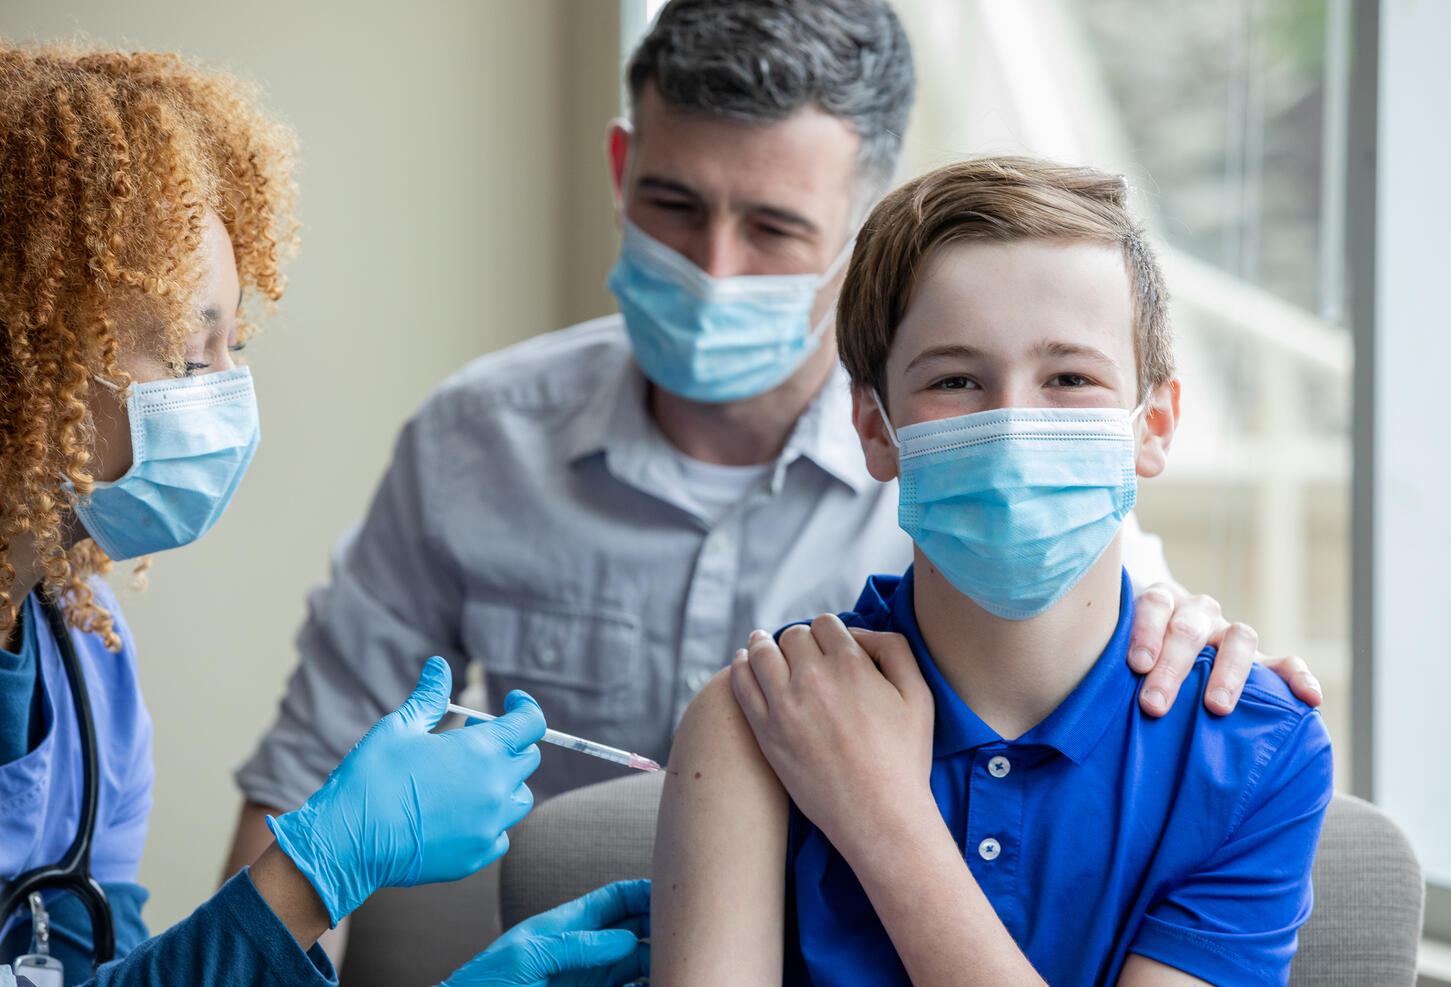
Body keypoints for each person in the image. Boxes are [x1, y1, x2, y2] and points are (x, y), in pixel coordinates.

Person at [226, 0, 1324, 898]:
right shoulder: (476, 438)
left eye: (775, 227)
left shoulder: (983, 471)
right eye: (671, 203)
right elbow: (305, 789)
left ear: (861, 225)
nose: (713, 267)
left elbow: (1134, 644)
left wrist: (1198, 629)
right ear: (619, 167)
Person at [0, 42, 647, 986]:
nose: (230, 393)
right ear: (27, 369)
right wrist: (317, 867)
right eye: (188, 356)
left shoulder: (86, 657)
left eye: (236, 343)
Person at [652, 156, 1336, 985]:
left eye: (1071, 377)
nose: (1014, 426)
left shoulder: (1254, 748)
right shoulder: (760, 719)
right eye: (956, 379)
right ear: (875, 428)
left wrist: (884, 815)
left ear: (1153, 423)